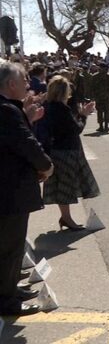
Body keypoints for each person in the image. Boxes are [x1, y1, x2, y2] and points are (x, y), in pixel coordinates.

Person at [0, 61, 53, 316]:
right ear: (11, 84)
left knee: (12, 247)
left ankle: (10, 290)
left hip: (9, 190)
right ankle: (7, 301)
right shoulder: (6, 110)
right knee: (9, 248)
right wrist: (46, 166)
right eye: (23, 81)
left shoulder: (9, 109)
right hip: (9, 192)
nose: (28, 85)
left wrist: (28, 117)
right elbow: (26, 144)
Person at [42, 76, 100, 230]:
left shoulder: (48, 106)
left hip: (55, 149)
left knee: (61, 185)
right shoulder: (62, 108)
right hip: (67, 151)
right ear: (63, 92)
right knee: (66, 186)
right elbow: (76, 129)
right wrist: (84, 115)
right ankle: (67, 219)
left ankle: (65, 218)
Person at [89, 62, 109, 132]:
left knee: (106, 111)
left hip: (106, 96)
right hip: (99, 96)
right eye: (101, 68)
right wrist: (92, 95)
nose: (102, 69)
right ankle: (101, 126)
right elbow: (92, 87)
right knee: (100, 111)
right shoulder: (95, 76)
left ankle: (106, 126)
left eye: (103, 68)